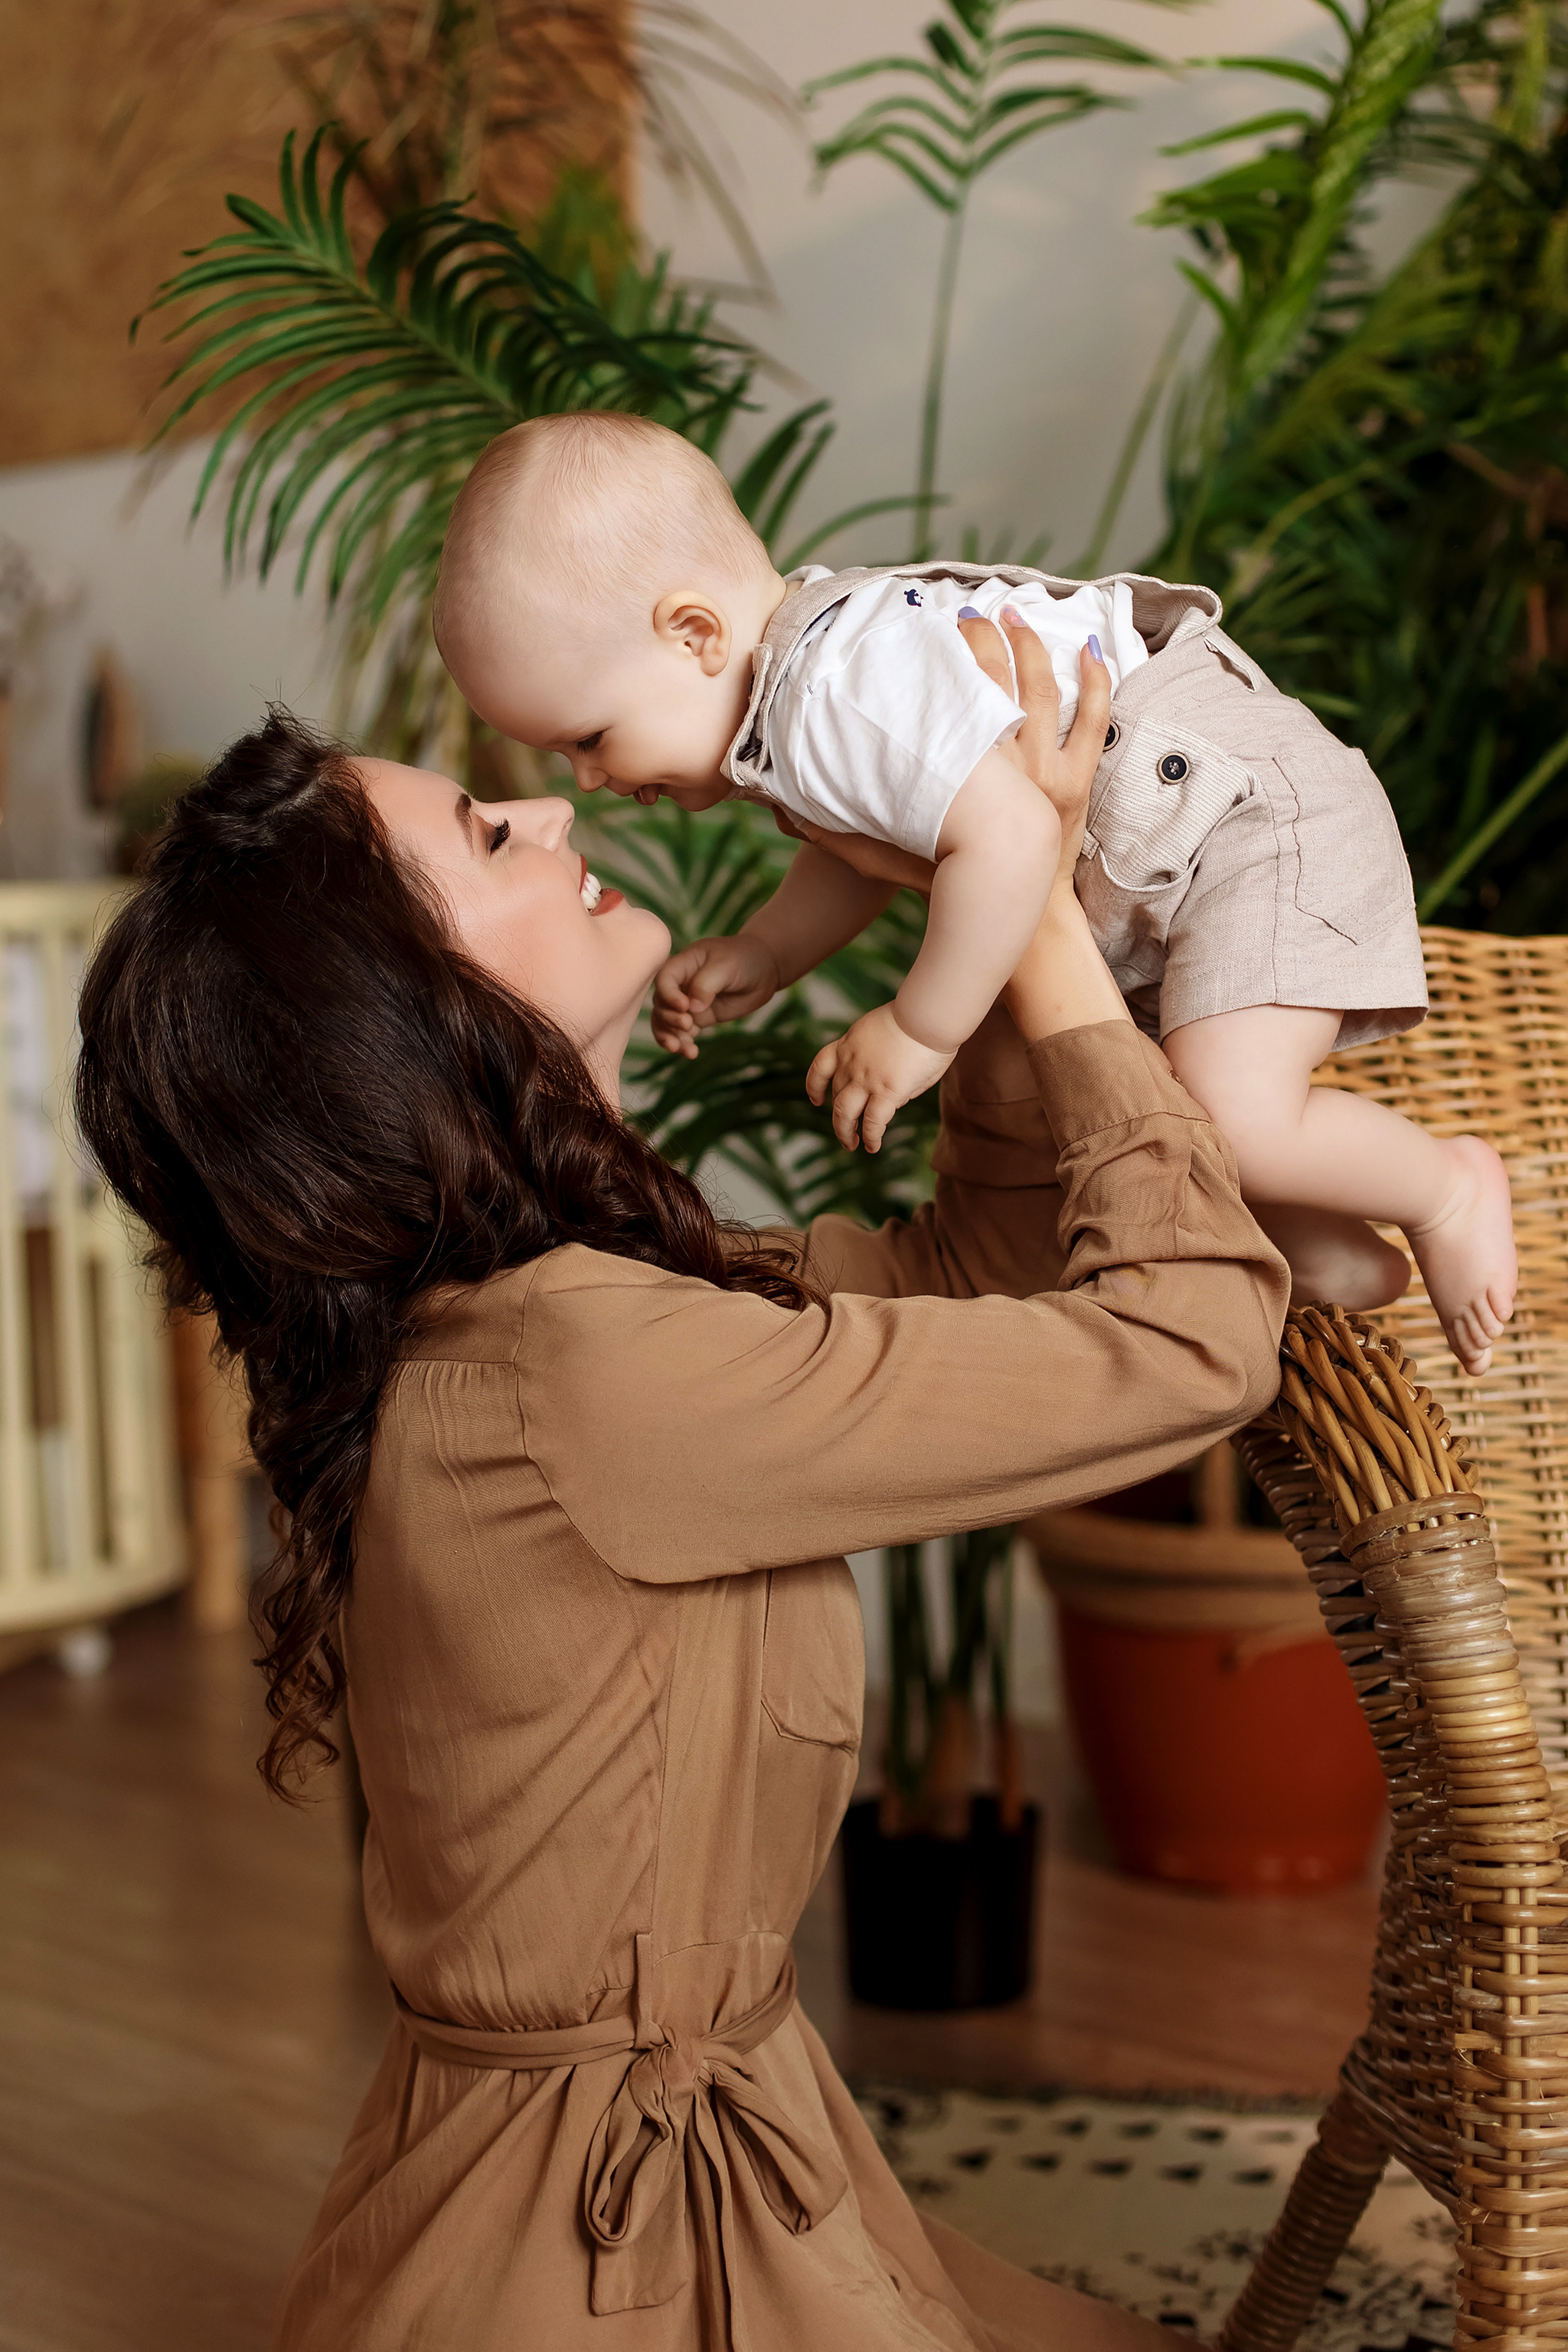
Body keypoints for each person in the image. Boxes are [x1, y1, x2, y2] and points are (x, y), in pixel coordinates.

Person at [75, 613, 1288, 2351]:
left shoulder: (577, 1323)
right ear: (403, 1014)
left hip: (665, 2144)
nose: (558, 817)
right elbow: (1196, 1340)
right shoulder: (591, 1368)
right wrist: (1026, 927)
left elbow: (987, 1269)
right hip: (591, 2255)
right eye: (487, 835)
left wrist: (1017, 895)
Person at [433, 410, 1517, 1378]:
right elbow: (872, 838)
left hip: (1248, 820)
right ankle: (1316, 1232)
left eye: (587, 735)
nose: (582, 780)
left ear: (695, 634)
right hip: (1176, 861)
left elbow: (1005, 839)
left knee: (1228, 1107)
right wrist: (769, 950)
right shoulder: (803, 685)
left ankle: (1448, 1187)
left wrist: (920, 1028)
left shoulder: (829, 694)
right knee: (1179, 1108)